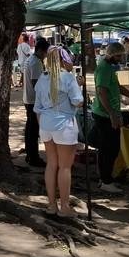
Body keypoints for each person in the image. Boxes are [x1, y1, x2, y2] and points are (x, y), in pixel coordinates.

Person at [33, 46, 83, 217]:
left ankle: (52, 205)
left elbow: (37, 107)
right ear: (63, 60)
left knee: (51, 164)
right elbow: (78, 102)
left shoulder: (42, 78)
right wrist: (79, 85)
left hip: (46, 124)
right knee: (65, 167)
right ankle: (65, 207)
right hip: (64, 124)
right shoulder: (68, 78)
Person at [92, 42, 129, 193]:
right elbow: (101, 92)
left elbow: (117, 87)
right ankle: (106, 180)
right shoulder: (104, 68)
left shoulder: (110, 68)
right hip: (104, 115)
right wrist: (112, 114)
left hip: (109, 113)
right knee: (109, 149)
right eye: (119, 55)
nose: (121, 58)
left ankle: (106, 178)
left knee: (111, 148)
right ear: (111, 55)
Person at [22, 37, 49, 167]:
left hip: (28, 98)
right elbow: (36, 83)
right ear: (40, 51)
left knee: (30, 129)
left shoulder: (29, 60)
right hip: (34, 100)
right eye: (45, 53)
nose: (45, 55)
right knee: (33, 130)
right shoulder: (36, 62)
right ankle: (33, 157)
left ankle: (30, 154)